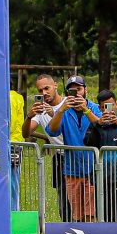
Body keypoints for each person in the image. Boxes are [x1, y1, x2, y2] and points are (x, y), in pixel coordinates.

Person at [46, 76, 103, 222]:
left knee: (92, 214)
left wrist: (85, 110)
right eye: (72, 90)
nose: (76, 93)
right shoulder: (63, 110)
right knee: (77, 215)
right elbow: (52, 131)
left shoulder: (95, 107)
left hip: (93, 169)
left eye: (79, 89)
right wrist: (60, 111)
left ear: (85, 90)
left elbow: (102, 127)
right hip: (72, 169)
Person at [24, 74, 70, 220]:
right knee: (64, 202)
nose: (44, 93)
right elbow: (26, 132)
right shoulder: (40, 110)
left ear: (55, 85)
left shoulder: (69, 102)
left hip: (79, 156)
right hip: (60, 159)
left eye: (46, 88)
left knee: (82, 203)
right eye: (40, 90)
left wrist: (55, 113)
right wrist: (29, 116)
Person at [87, 90, 117, 221]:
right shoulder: (95, 126)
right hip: (101, 178)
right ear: (100, 108)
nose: (107, 110)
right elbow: (89, 143)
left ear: (116, 105)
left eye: (110, 105)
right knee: (103, 214)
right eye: (104, 107)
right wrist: (98, 125)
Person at [9, 88, 25, 211]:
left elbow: (10, 124)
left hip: (10, 144)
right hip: (16, 143)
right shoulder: (17, 97)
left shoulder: (9, 98)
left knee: (11, 185)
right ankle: (15, 212)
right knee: (14, 185)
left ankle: (13, 213)